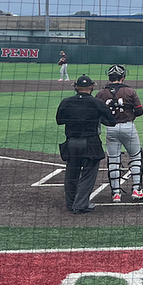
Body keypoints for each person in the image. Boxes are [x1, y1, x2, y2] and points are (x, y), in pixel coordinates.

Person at [55, 74, 115, 215]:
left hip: (71, 143)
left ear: (76, 87)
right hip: (90, 143)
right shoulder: (97, 103)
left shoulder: (66, 102)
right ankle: (80, 204)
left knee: (71, 174)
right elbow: (111, 121)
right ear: (91, 87)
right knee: (88, 174)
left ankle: (71, 204)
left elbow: (59, 120)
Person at [96, 64, 143, 202]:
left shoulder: (101, 93)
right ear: (123, 77)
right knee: (136, 157)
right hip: (128, 127)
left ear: (109, 77)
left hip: (111, 129)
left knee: (113, 160)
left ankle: (116, 193)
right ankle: (137, 190)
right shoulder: (130, 91)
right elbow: (140, 111)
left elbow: (97, 113)